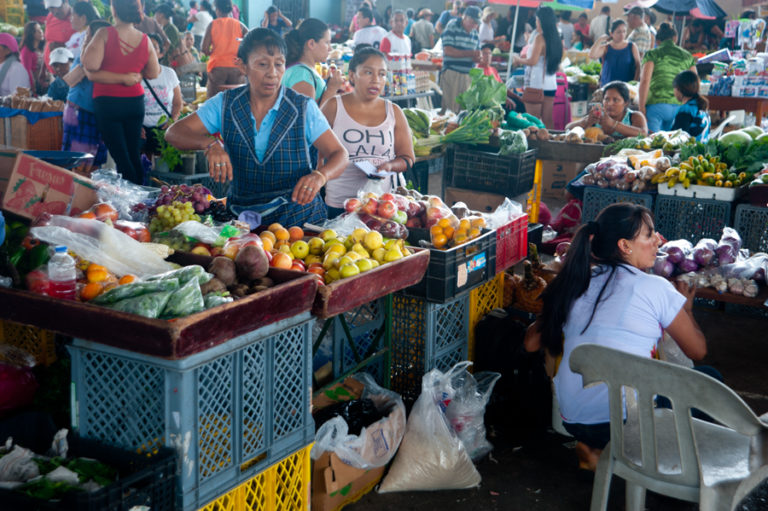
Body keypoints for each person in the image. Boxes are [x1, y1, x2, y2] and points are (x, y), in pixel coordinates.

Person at [524, 203, 707, 470]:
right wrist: (687, 310)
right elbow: (697, 351)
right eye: (649, 234)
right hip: (627, 423)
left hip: (573, 419)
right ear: (624, 245)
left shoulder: (577, 282)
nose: (658, 240)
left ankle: (594, 450)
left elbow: (530, 344)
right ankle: (671, 469)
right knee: (709, 378)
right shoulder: (656, 287)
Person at [165, 29, 349, 227]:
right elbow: (173, 133)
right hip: (243, 222)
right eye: (262, 64)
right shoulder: (225, 104)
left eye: (279, 64)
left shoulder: (303, 107)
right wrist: (209, 144)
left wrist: (320, 176)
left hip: (299, 220)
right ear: (242, 66)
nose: (272, 73)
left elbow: (339, 154)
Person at [321, 47, 415, 218]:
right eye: (368, 72)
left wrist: (389, 166)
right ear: (351, 75)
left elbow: (407, 158)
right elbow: (316, 154)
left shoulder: (394, 112)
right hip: (339, 204)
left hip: (381, 207)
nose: (376, 80)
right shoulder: (333, 107)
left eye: (382, 74)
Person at [83, 0, 161, 185]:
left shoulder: (104, 34)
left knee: (122, 157)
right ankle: (140, 198)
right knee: (133, 154)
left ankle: (135, 202)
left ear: (114, 9)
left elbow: (90, 65)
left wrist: (117, 76)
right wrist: (129, 76)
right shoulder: (144, 39)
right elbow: (153, 72)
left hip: (108, 103)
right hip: (135, 102)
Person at [61, 19, 110, 172]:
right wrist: (86, 61)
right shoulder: (85, 55)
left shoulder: (110, 57)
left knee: (95, 161)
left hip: (98, 113)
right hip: (79, 111)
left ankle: (86, 192)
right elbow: (70, 80)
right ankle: (73, 192)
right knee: (77, 161)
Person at [639, 23, 696, 132]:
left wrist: (641, 108)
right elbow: (694, 82)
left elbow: (645, 81)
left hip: (655, 106)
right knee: (673, 145)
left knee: (652, 143)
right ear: (675, 38)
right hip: (679, 106)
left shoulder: (652, 54)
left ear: (657, 41)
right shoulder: (687, 56)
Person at [513, 6, 562, 129]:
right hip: (550, 84)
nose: (536, 22)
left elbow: (532, 61)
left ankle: (535, 146)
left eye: (536, 20)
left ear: (541, 20)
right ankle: (550, 144)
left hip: (536, 84)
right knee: (547, 120)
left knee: (532, 121)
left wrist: (517, 59)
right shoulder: (556, 38)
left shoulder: (540, 37)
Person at [283, 18, 344, 106]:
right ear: (311, 44)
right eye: (327, 43)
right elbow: (308, 118)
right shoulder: (301, 76)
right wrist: (331, 89)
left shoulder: (305, 71)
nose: (330, 49)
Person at [142, 33, 182, 154]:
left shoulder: (169, 74)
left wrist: (172, 120)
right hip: (141, 131)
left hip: (163, 130)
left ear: (161, 54)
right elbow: (127, 105)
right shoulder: (134, 74)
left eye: (154, 46)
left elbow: (177, 102)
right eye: (146, 46)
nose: (149, 49)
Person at [566, 80, 647, 138]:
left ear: (626, 102)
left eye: (615, 100)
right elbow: (567, 128)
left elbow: (643, 134)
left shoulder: (634, 116)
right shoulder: (597, 116)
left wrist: (613, 124)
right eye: (607, 99)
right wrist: (586, 122)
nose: (610, 103)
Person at [202, 0, 248, 98]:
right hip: (237, 69)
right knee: (237, 100)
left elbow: (204, 48)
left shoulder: (212, 24)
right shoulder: (239, 25)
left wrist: (212, 52)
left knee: (212, 101)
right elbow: (251, 40)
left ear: (217, 9)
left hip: (217, 68)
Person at [440, 5, 481, 114]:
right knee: (450, 111)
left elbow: (476, 56)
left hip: (468, 76)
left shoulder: (475, 33)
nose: (474, 25)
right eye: (472, 21)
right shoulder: (453, 25)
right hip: (453, 73)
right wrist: (471, 53)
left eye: (476, 23)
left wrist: (479, 57)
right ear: (464, 16)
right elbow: (448, 50)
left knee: (464, 112)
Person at [590, 19, 641, 86]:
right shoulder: (606, 47)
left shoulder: (632, 46)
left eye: (624, 31)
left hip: (626, 87)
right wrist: (600, 39)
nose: (622, 34)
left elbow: (638, 66)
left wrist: (634, 83)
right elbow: (592, 55)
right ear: (611, 33)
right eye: (618, 32)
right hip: (607, 85)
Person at [671, 70, 710, 141]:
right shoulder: (701, 107)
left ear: (678, 88)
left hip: (691, 151)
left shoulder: (686, 110)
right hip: (703, 150)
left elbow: (678, 140)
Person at [154, 3, 192, 69]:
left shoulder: (170, 29)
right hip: (167, 63)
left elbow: (171, 47)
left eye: (156, 13)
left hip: (170, 64)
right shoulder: (165, 27)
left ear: (161, 15)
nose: (155, 16)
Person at [43, 0, 75, 73]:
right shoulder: (50, 17)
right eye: (51, 9)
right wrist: (43, 68)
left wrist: (63, 47)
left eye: (57, 7)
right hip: (51, 71)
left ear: (66, 2)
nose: (55, 11)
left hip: (69, 73)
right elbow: (47, 42)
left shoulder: (77, 18)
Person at [20, 21, 49, 95]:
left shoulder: (41, 48)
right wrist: (33, 90)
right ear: (31, 34)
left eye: (41, 29)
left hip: (40, 83)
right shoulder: (26, 50)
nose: (41, 32)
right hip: (31, 85)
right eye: (37, 30)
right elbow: (27, 71)